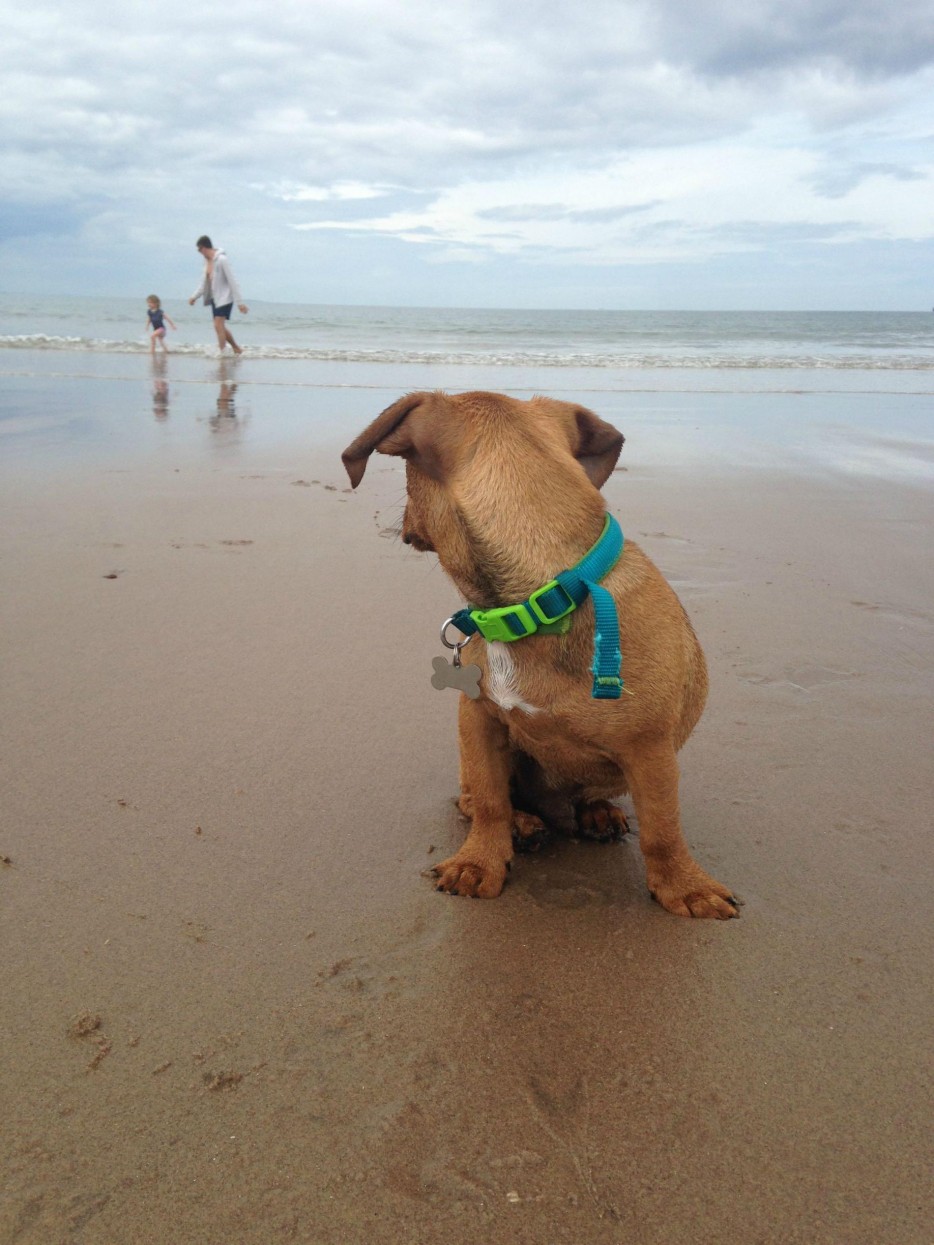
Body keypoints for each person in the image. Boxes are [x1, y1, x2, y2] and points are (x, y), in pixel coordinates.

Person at [188, 235, 249, 355]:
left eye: (199, 250)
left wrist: (240, 303)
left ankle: (222, 352)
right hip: (215, 298)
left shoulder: (222, 259)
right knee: (219, 327)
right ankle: (236, 348)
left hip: (225, 297)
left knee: (218, 324)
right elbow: (204, 283)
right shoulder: (206, 262)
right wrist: (194, 296)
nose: (199, 253)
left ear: (203, 247)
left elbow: (232, 281)